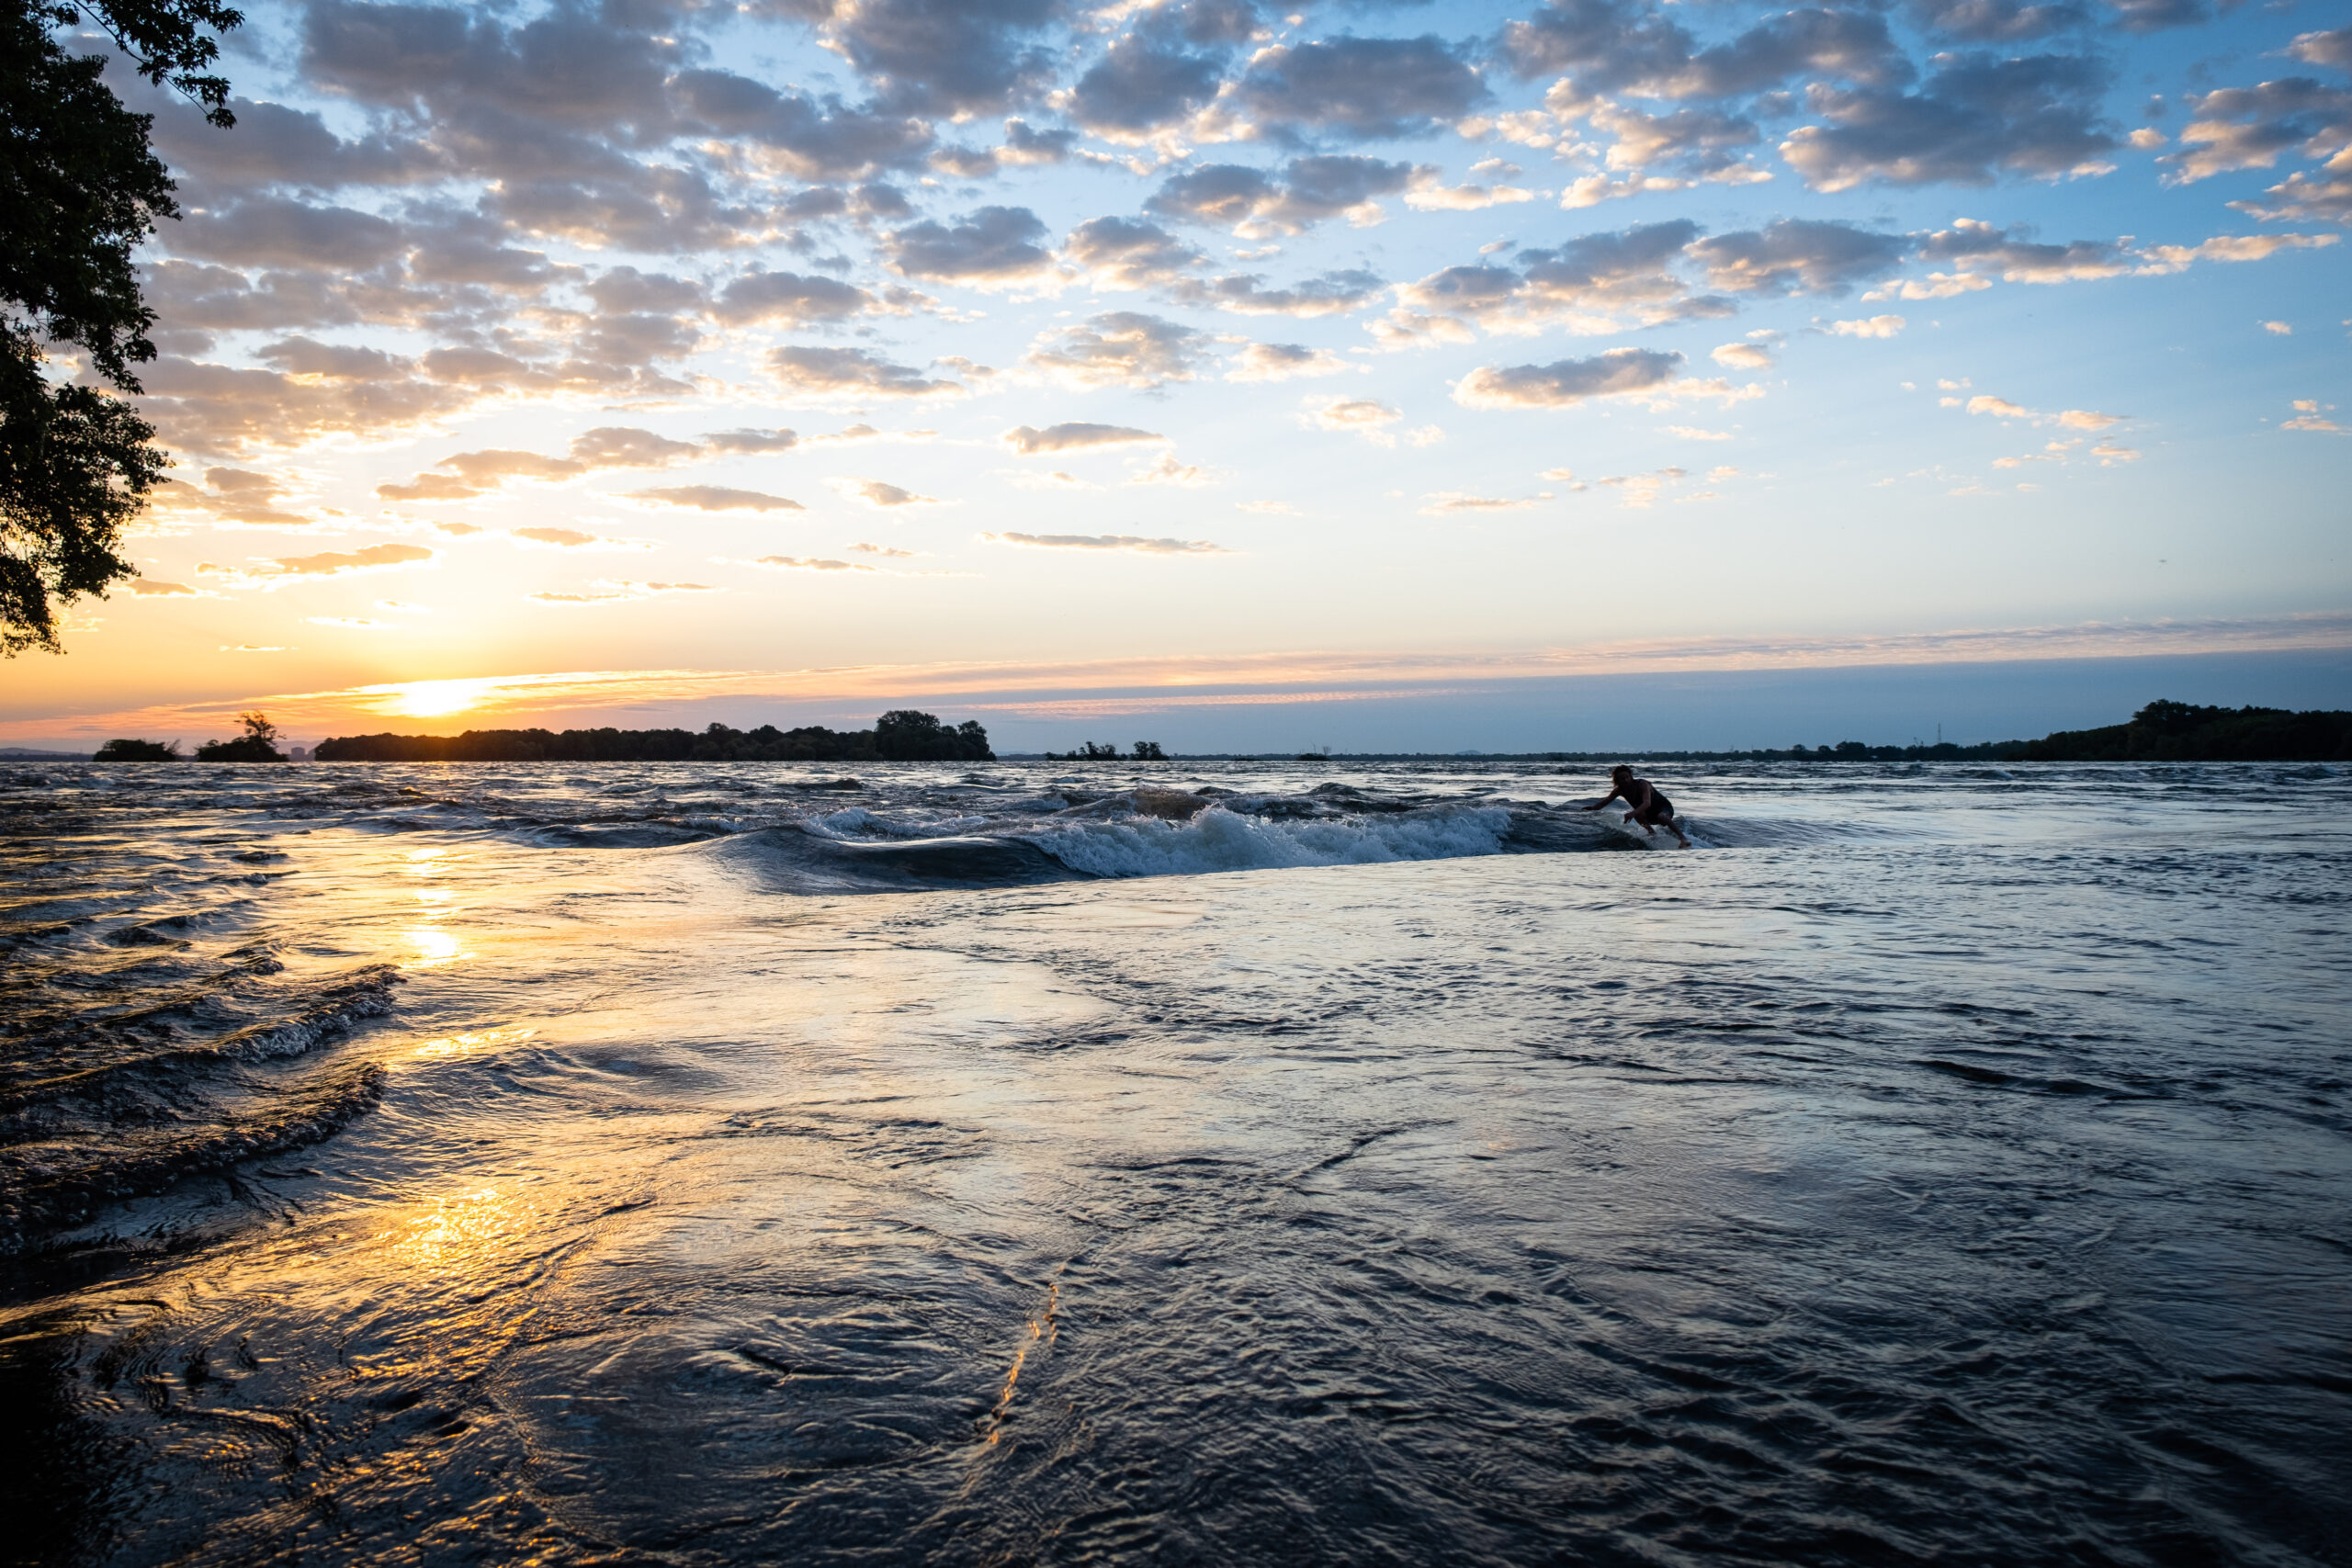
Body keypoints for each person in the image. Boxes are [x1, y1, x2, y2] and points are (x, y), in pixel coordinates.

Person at [1583, 764, 1691, 848]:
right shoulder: (1619, 790)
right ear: (1617, 780)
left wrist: (1632, 813)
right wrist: (1593, 809)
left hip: (1664, 809)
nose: (1625, 780)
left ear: (1631, 776)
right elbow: (1604, 802)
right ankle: (1651, 833)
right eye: (1622, 779)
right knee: (1638, 813)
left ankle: (1683, 838)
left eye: (1627, 777)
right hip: (1649, 815)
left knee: (1660, 816)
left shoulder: (1642, 784)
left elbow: (1647, 803)